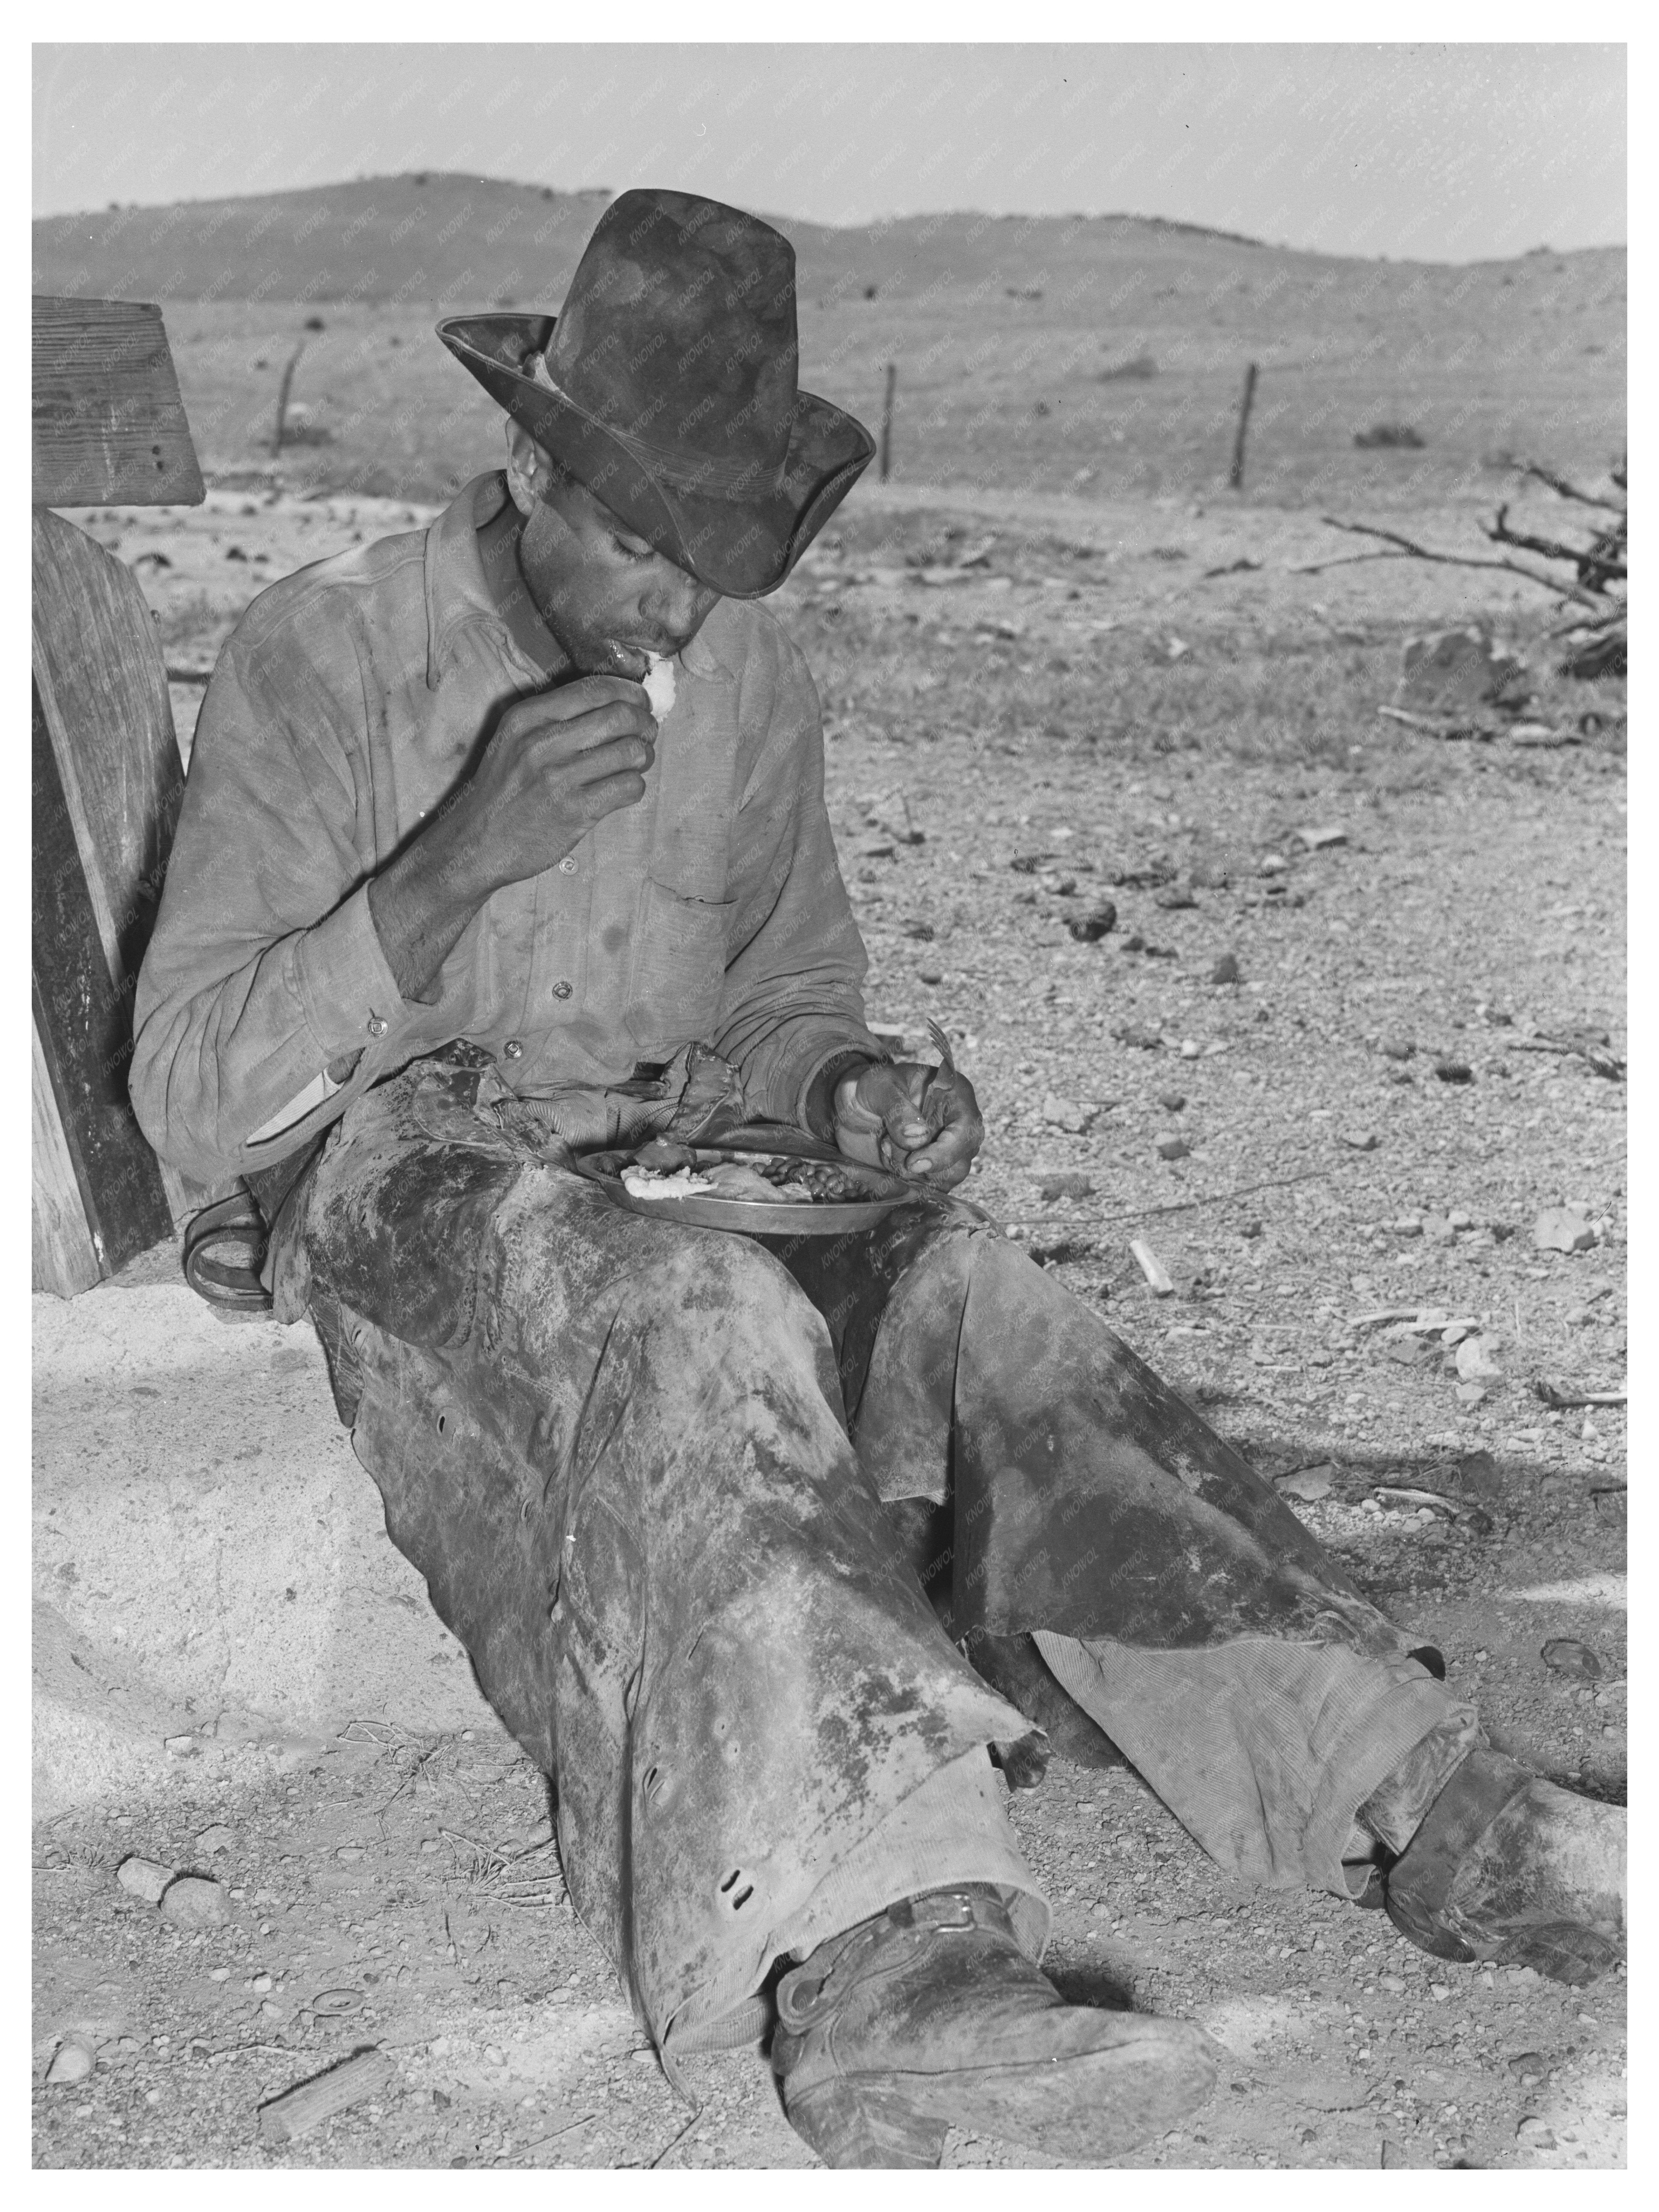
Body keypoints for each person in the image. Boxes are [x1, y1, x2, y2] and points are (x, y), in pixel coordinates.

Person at [132, 189, 1625, 2170]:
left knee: (965, 1289)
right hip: (406, 1182)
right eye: (643, 547)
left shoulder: (742, 684)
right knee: (695, 1319)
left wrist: (848, 1093)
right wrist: (442, 876)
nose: (677, 609)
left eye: (719, 561)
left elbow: (780, 1006)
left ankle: (1422, 1803)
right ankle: (887, 1970)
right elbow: (189, 1095)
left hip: (663, 1172)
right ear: (525, 466)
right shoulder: (321, 657)